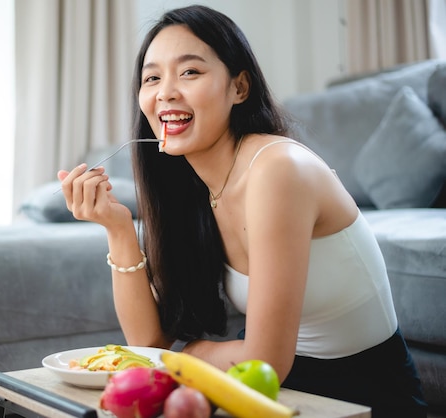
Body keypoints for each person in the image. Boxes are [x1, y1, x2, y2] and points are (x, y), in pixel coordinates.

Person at [57, 5, 427, 417]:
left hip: (363, 395)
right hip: (268, 386)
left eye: (190, 72)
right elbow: (149, 343)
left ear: (239, 88)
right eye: (152, 77)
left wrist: (194, 351)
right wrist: (118, 229)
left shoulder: (277, 169)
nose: (165, 92)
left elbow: (265, 361)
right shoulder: (193, 187)